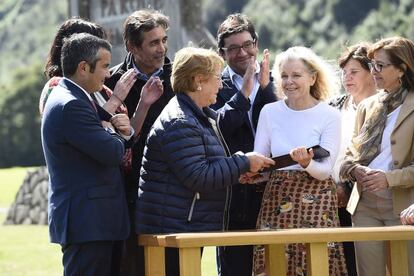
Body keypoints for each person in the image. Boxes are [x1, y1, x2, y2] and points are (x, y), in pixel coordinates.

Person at [135, 46, 275, 276]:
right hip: (172, 229)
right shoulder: (181, 121)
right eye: (218, 78)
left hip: (179, 225)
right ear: (199, 80)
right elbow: (199, 176)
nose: (221, 85)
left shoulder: (195, 114)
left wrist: (239, 169)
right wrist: (243, 162)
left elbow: (220, 126)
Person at [41, 33, 132, 276]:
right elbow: (112, 152)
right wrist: (116, 131)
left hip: (94, 224)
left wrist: (109, 129)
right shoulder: (71, 104)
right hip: (88, 224)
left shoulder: (75, 98)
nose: (108, 73)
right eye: (104, 66)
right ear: (83, 68)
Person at [251, 46, 347, 275]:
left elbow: (325, 172)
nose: (289, 82)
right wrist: (253, 173)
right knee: (275, 264)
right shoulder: (269, 111)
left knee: (317, 264)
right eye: (284, 75)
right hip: (277, 201)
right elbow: (263, 161)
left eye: (296, 75)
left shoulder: (330, 115)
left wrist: (306, 164)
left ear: (312, 78)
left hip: (318, 203)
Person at [104, 9, 173, 275]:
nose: (162, 48)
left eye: (164, 40)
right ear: (132, 46)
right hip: (126, 196)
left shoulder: (178, 78)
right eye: (154, 42)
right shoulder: (109, 82)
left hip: (170, 196)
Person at [340, 36, 414, 276]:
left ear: (402, 68)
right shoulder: (367, 106)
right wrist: (353, 169)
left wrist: (388, 178)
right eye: (372, 65)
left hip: (402, 205)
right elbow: (348, 156)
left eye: (380, 65)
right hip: (364, 205)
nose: (373, 71)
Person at [211, 13, 277, 276]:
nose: (242, 53)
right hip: (233, 194)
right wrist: (245, 93)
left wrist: (265, 89)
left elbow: (282, 129)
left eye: (247, 45)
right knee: (235, 267)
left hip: (274, 193)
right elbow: (218, 130)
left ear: (257, 44)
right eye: (234, 48)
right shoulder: (213, 83)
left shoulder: (277, 79)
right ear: (222, 53)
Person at [329, 42, 377, 276]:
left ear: (371, 72)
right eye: (344, 72)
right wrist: (336, 185)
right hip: (332, 195)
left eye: (354, 72)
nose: (347, 78)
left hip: (370, 195)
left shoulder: (386, 106)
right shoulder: (334, 106)